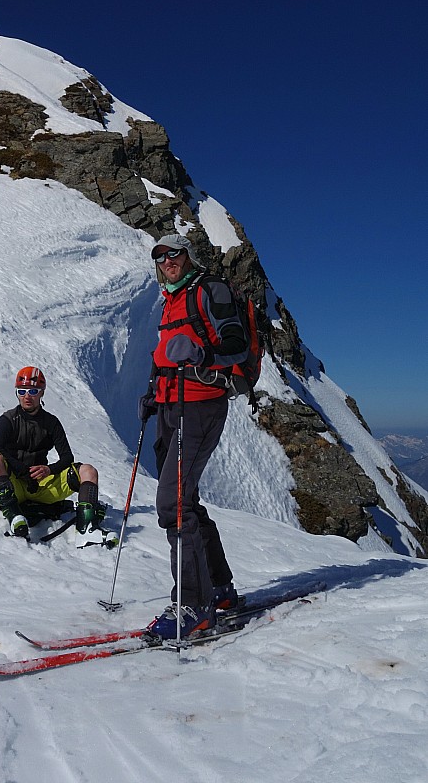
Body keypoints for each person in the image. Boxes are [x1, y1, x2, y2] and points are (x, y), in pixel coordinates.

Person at [139, 233, 249, 640]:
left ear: (189, 256)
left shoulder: (209, 291)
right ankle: (218, 590)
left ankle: (193, 606)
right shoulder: (170, 301)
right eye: (160, 256)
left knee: (172, 504)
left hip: (200, 405)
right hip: (171, 405)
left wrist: (203, 355)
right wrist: (153, 392)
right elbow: (166, 354)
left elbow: (236, 345)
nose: (167, 260)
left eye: (175, 253)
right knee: (187, 502)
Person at [0, 366, 115, 546]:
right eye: (22, 391)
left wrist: (49, 469)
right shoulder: (8, 419)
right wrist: (22, 471)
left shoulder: (51, 423)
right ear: (17, 393)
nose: (27, 396)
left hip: (42, 485)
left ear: (41, 393)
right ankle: (14, 517)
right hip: (15, 485)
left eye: (33, 391)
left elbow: (67, 457)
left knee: (88, 471)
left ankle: (87, 529)